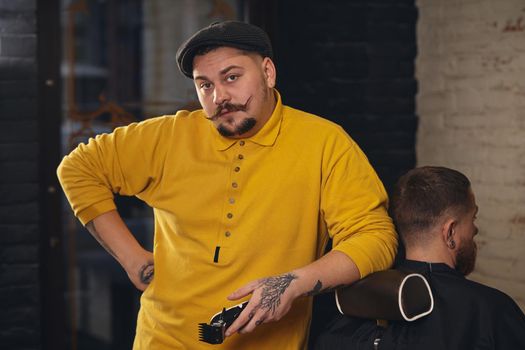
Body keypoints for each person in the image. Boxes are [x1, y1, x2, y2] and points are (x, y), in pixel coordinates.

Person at [57, 21, 397, 350]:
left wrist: (293, 284)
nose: (219, 96)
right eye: (204, 85)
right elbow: (78, 168)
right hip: (161, 341)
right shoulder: (169, 136)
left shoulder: (325, 143)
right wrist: (134, 260)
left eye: (232, 77)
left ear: (267, 72)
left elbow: (374, 236)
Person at [315, 166, 525, 350]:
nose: (475, 229)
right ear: (450, 231)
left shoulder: (349, 316)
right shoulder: (492, 312)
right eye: (473, 218)